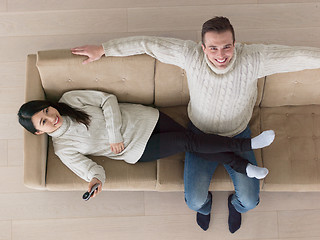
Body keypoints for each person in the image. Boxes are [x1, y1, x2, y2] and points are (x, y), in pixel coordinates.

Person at [70, 16, 320, 233]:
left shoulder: (254, 58)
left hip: (239, 134)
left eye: (227, 47)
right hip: (200, 136)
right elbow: (149, 44)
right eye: (213, 48)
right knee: (194, 201)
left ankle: (235, 205)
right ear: (202, 47)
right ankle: (207, 205)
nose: (220, 55)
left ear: (235, 44)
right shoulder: (189, 55)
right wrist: (104, 48)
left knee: (250, 201)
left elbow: (297, 56)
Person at [18, 90, 274, 197]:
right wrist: (96, 181)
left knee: (193, 142)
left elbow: (108, 100)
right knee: (188, 141)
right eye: (43, 122)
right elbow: (89, 169)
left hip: (146, 118)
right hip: (137, 148)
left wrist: (114, 133)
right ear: (40, 133)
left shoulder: (69, 99)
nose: (52, 118)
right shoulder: (63, 149)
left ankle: (241, 165)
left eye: (47, 110)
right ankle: (245, 147)